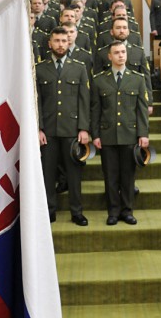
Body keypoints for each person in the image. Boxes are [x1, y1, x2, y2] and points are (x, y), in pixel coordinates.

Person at [36, 27, 91, 226]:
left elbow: (84, 100)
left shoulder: (79, 68)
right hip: (48, 131)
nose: (60, 44)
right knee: (47, 173)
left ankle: (77, 211)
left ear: (69, 43)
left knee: (74, 174)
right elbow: (37, 102)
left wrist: (84, 128)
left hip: (72, 130)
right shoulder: (39, 68)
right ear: (50, 43)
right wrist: (39, 128)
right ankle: (49, 211)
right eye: (56, 40)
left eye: (64, 40)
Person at [91, 41, 149, 226]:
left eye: (123, 52)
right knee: (110, 176)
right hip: (107, 135)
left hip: (130, 134)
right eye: (116, 53)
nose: (121, 55)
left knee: (128, 176)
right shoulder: (99, 80)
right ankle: (113, 212)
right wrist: (96, 134)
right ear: (109, 56)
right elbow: (95, 110)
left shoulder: (138, 79)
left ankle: (127, 210)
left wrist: (143, 134)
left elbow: (141, 110)